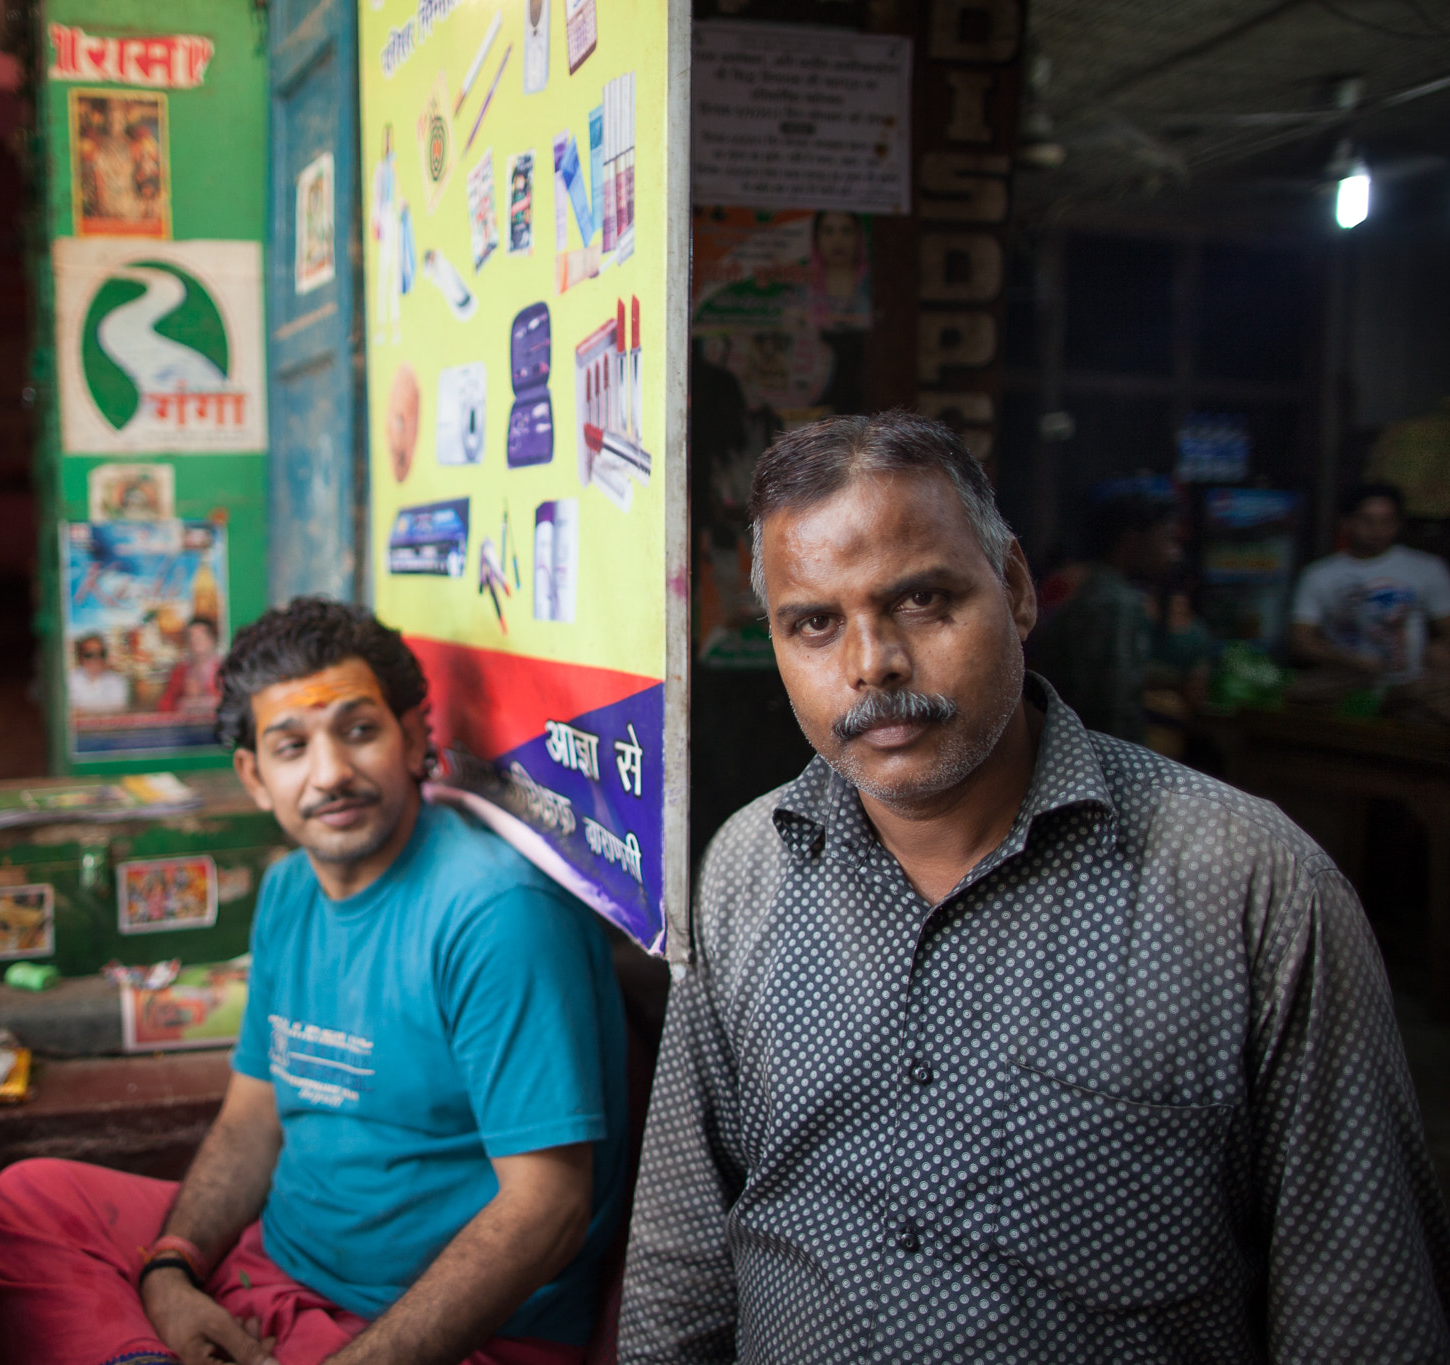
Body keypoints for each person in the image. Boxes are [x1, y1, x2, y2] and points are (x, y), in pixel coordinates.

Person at [619, 412, 1450, 1362]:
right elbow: (681, 1261)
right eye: (814, 622)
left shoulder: (1246, 883)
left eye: (923, 601)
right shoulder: (746, 869)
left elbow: (1361, 1306)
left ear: (1014, 588)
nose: (871, 663)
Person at [0, 598, 629, 1365]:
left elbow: (547, 1209)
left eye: (358, 730)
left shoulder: (494, 912)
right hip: (275, 1268)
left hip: (433, 1332)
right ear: (254, 775)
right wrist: (171, 1270)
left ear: (413, 735)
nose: (331, 774)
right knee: (25, 1205)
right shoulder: (287, 892)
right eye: (291, 745)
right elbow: (253, 1120)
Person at [1028, 485, 1181, 743]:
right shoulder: (1116, 603)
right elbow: (1113, 708)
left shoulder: (1093, 590)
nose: (1174, 553)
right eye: (1166, 539)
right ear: (1133, 541)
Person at [1291, 483, 1450, 689]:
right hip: (1345, 682)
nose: (1377, 529)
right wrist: (1349, 661)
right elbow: (1301, 640)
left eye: (1387, 521)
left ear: (1398, 524)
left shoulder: (1427, 568)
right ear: (1346, 523)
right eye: (1367, 520)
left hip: (1413, 685)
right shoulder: (1319, 574)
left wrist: (1437, 656)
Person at [157, 616, 222, 712]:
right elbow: (165, 705)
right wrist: (184, 703)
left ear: (212, 639)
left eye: (200, 637)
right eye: (191, 637)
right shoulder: (180, 672)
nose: (195, 642)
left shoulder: (225, 670)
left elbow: (232, 704)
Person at [69, 634, 132, 713]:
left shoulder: (118, 682)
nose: (96, 659)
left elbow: (118, 712)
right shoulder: (69, 682)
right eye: (89, 655)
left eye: (100, 654)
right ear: (80, 657)